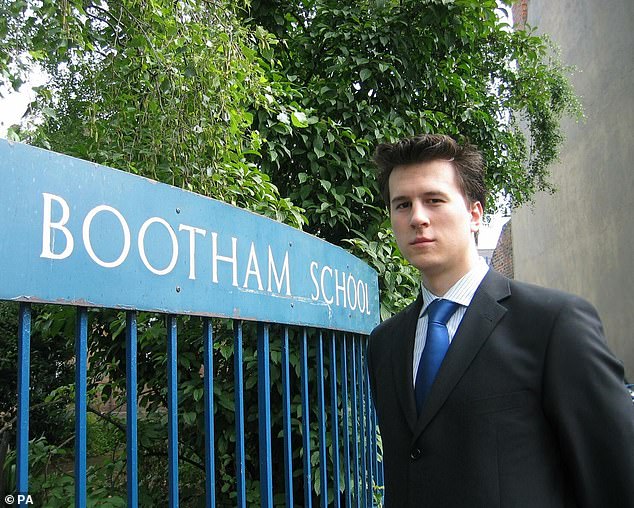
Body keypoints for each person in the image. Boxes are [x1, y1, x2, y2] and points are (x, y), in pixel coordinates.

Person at [367, 134, 634, 508]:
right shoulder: (385, 344)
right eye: (402, 205)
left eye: (434, 200)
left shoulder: (553, 325)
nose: (417, 218)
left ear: (475, 214)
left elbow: (617, 478)